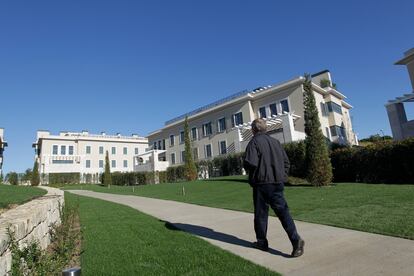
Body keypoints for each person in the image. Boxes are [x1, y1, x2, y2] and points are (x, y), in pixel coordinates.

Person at [243, 118, 304, 257]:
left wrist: (250, 172)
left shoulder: (254, 142)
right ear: (265, 129)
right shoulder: (276, 142)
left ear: (254, 129)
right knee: (283, 214)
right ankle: (296, 241)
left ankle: (262, 242)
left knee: (261, 215)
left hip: (262, 184)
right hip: (277, 184)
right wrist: (281, 177)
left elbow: (250, 163)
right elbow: (286, 162)